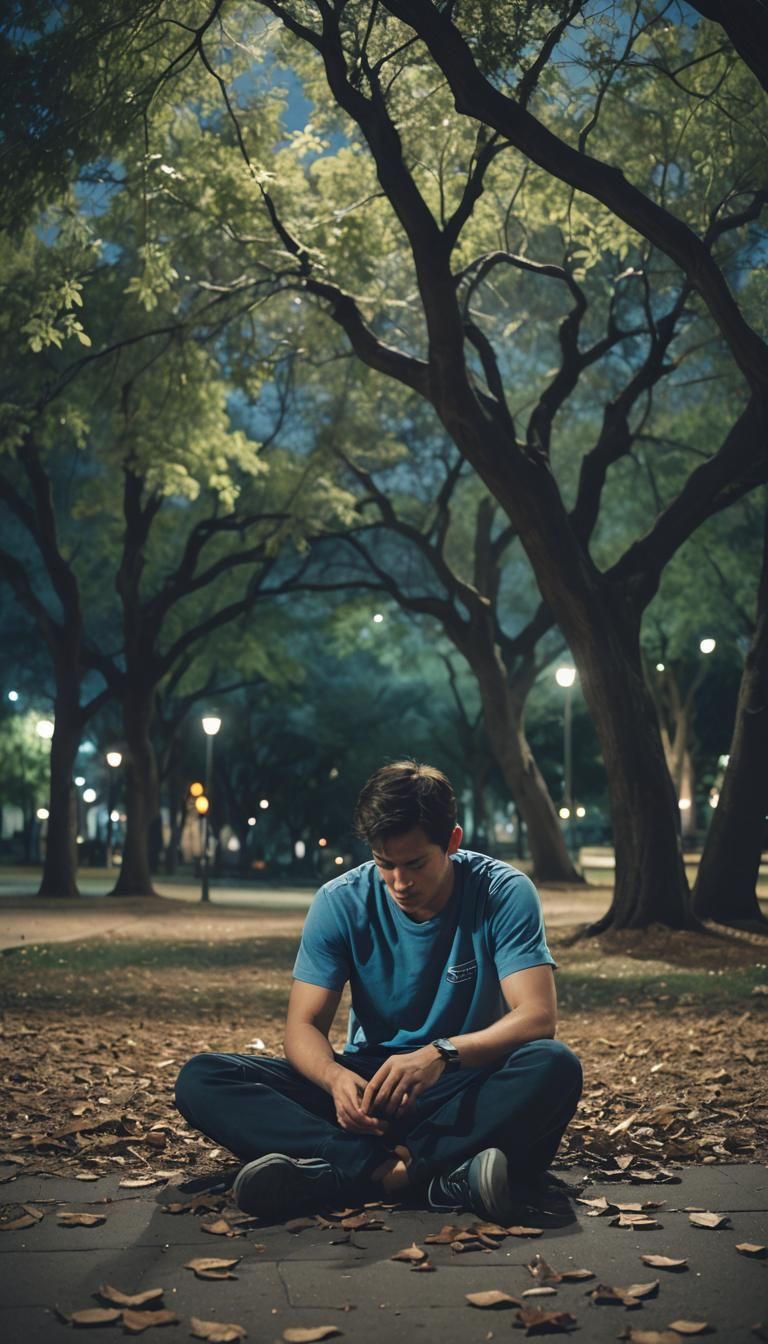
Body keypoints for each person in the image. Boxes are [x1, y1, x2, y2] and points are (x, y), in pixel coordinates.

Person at [175, 761, 582, 1223]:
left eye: (415, 863)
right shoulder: (340, 901)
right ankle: (433, 1175)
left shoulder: (502, 892)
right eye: (384, 863)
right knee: (203, 1077)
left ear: (452, 841)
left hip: (461, 1083)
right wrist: (334, 1080)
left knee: (554, 1065)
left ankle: (340, 1173)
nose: (400, 883)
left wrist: (441, 1053)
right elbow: (302, 1026)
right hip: (371, 1089)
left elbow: (536, 1016)